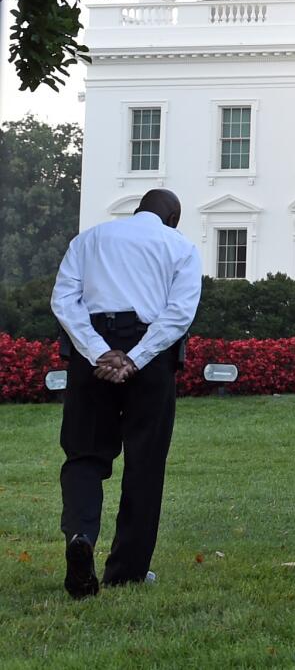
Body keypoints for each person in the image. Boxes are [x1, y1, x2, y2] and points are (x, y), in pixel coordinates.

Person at [50, 189, 201, 599]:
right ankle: (127, 571)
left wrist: (100, 351)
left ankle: (80, 536)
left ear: (139, 210)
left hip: (92, 351)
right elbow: (178, 314)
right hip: (149, 353)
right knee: (145, 462)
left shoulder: (88, 240)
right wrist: (135, 358)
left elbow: (64, 301)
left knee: (84, 454)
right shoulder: (180, 246)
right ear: (173, 217)